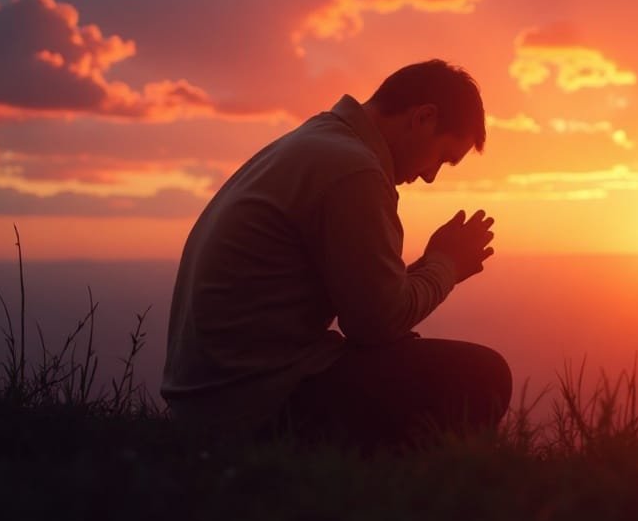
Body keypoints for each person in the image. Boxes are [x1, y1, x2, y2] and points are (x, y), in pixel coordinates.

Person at [160, 59, 511, 453]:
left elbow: (370, 306)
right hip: (252, 406)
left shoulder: (317, 143)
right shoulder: (354, 170)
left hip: (208, 399)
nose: (431, 176)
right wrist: (445, 264)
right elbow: (375, 324)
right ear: (424, 118)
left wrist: (427, 272)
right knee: (483, 375)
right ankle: (400, 495)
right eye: (443, 158)